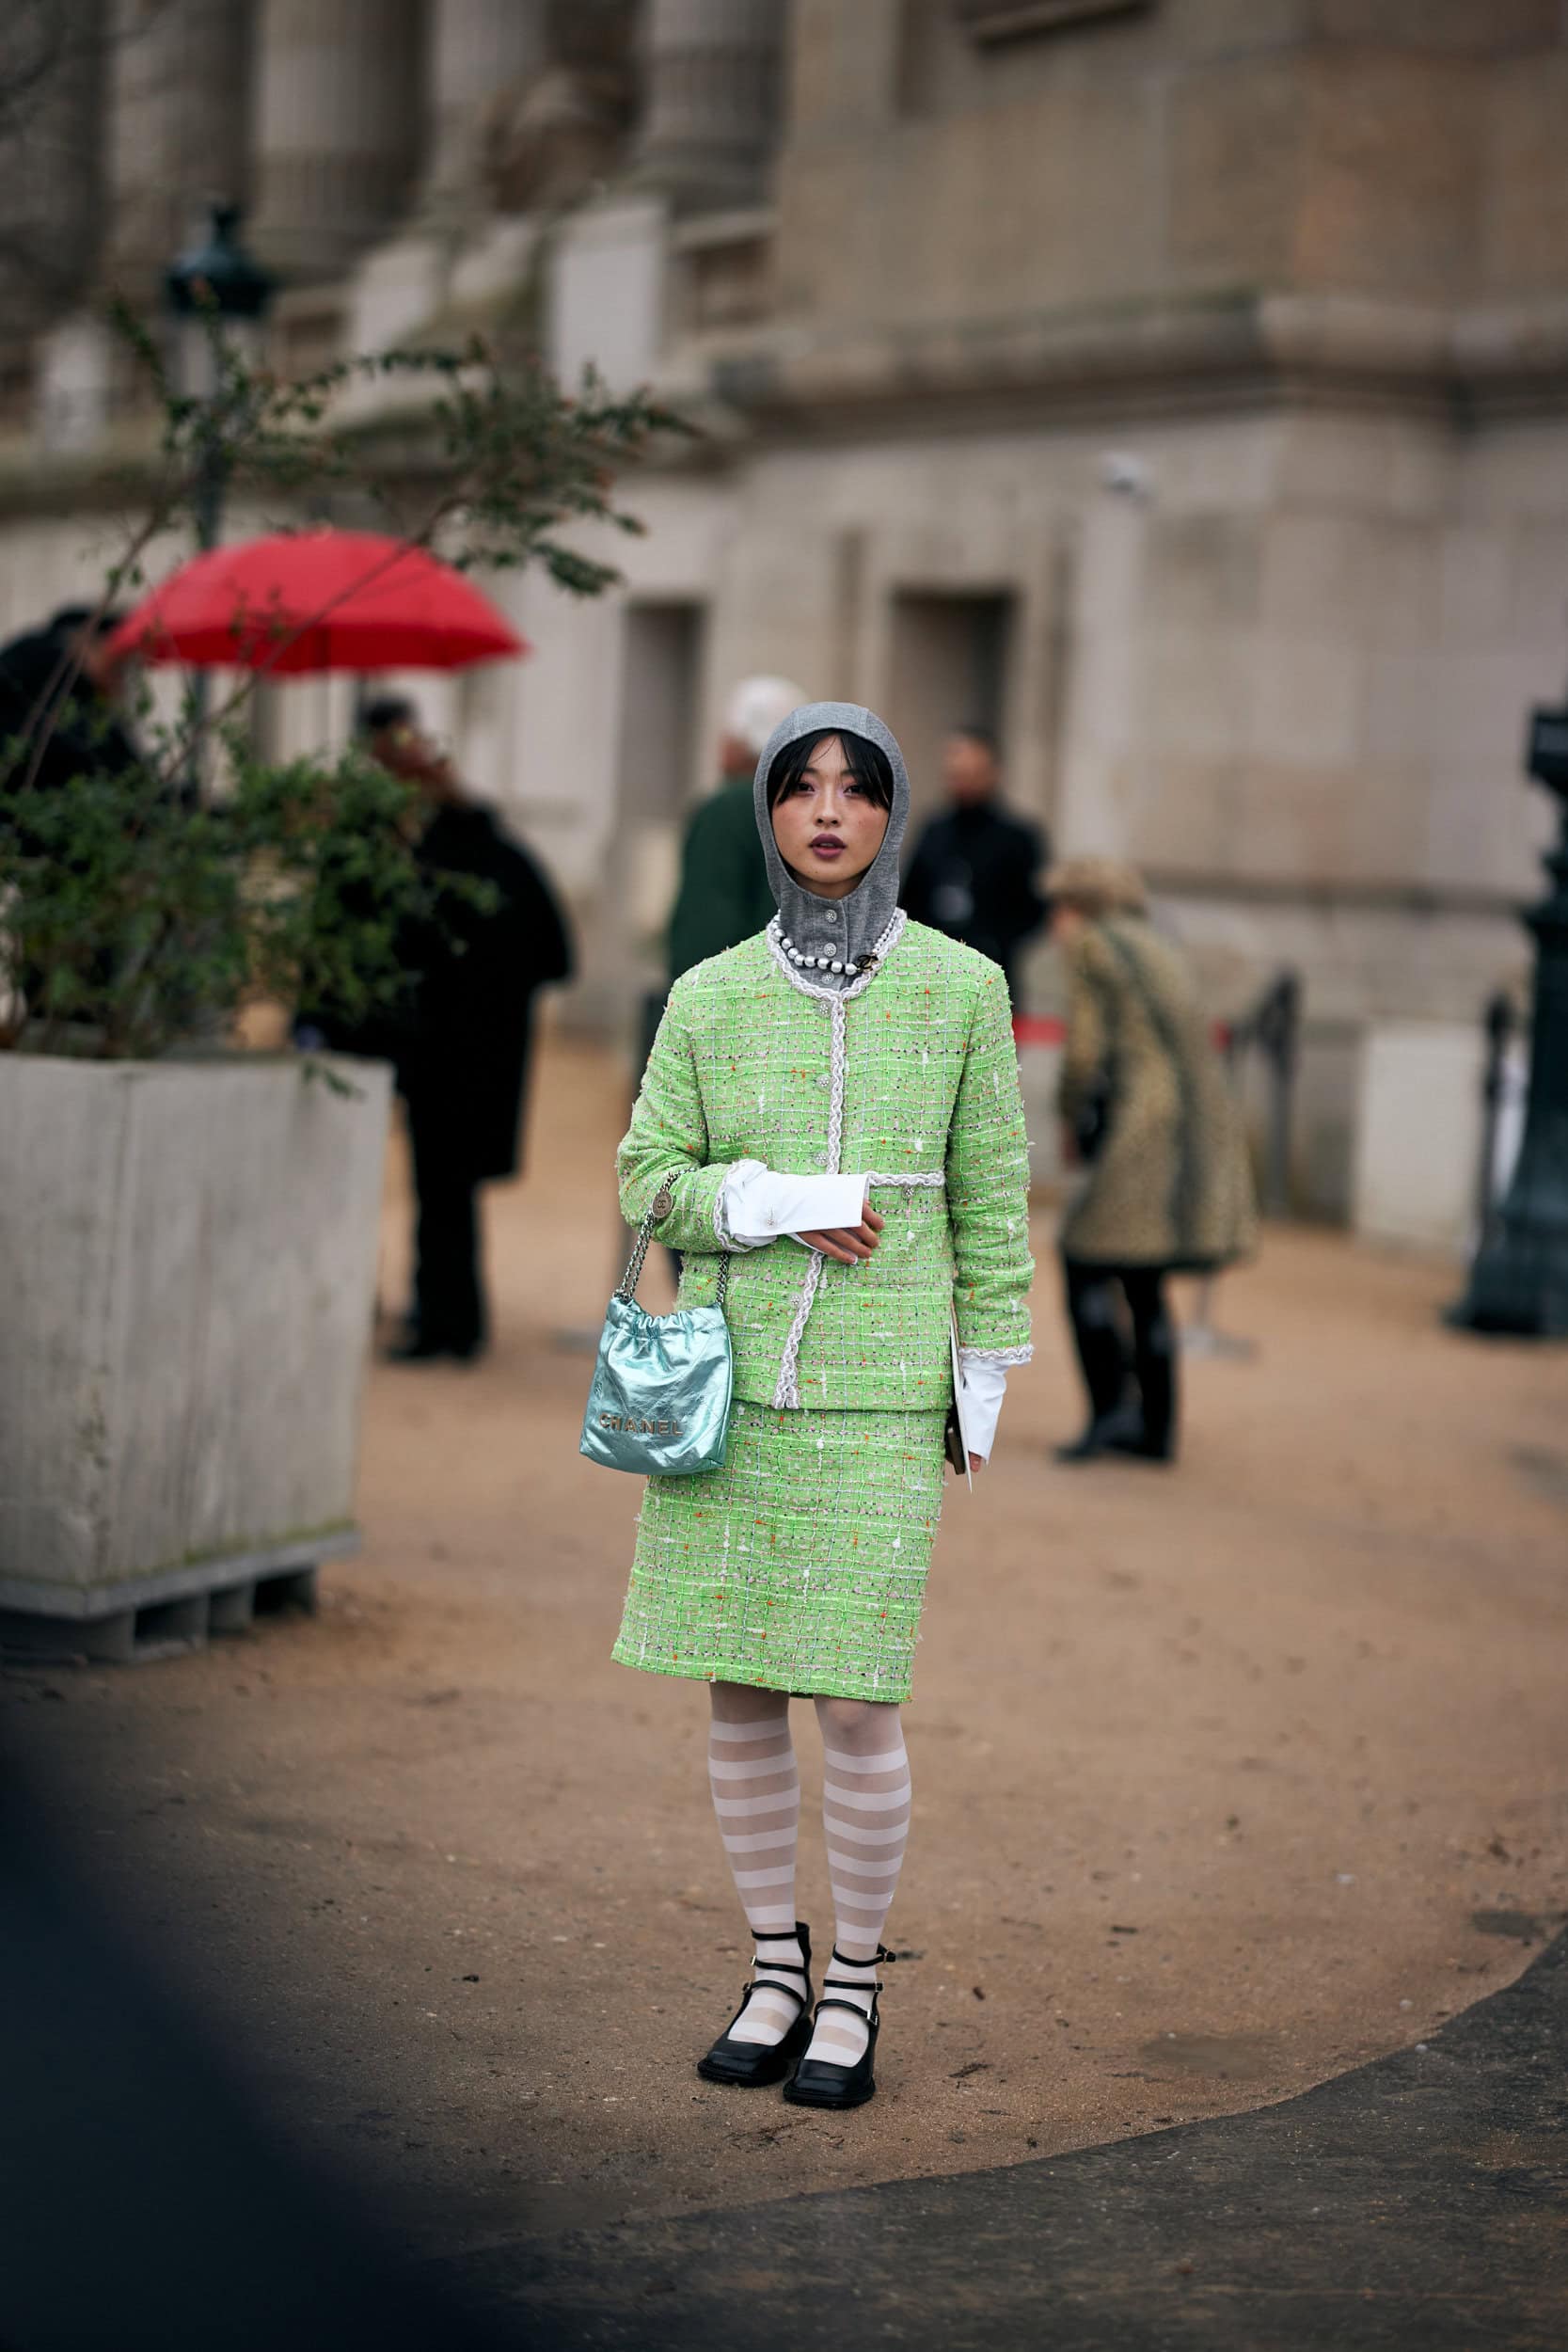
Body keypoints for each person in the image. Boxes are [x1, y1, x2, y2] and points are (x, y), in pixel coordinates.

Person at [611, 700, 1034, 2110]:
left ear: (890, 810)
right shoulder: (708, 994)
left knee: (853, 1704)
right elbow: (644, 1179)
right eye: (803, 787)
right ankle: (772, 1967)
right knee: (736, 1691)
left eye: (856, 787)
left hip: (878, 1398)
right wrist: (776, 1203)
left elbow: (991, 1197)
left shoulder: (963, 989)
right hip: (734, 1398)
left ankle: (852, 1983)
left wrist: (983, 1376)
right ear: (769, 812)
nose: (829, 810)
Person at [335, 695, 573, 1363]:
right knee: (448, 1193)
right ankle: (448, 1319)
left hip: (443, 1051)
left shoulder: (435, 861)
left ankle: (446, 1325)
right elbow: (554, 954)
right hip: (475, 1052)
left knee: (440, 1191)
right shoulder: (494, 852)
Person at [1050, 857, 1256, 1466]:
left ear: (1078, 907)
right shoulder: (1157, 944)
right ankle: (1156, 1427)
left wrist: (1068, 1113)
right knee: (1142, 1274)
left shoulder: (1093, 945)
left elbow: (1084, 1050)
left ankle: (1111, 1413)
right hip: (1195, 1121)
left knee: (1083, 1255)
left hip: (1141, 1122)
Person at [664, 675, 807, 985]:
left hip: (732, 1005)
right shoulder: (814, 807)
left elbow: (705, 927)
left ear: (741, 741)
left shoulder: (729, 810)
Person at [899, 724, 1048, 1003]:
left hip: (993, 971)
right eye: (956, 774)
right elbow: (910, 898)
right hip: (934, 972)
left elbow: (1035, 909)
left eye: (972, 773)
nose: (963, 782)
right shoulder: (933, 830)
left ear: (993, 773)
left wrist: (996, 941)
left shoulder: (1018, 837)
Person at [0, 605, 139, 806]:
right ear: (84, 644)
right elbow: (120, 776)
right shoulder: (62, 693)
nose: (121, 683)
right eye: (119, 667)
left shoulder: (27, 669)